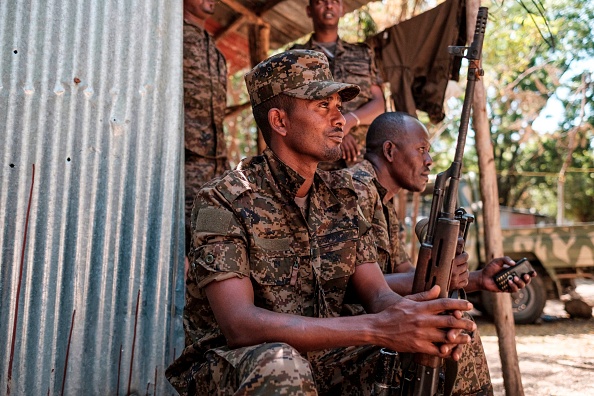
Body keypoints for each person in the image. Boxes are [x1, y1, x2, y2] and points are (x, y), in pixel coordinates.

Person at [165, 50, 478, 395]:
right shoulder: (224, 198)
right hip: (239, 365)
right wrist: (377, 328)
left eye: (338, 107)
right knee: (281, 365)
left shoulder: (341, 197)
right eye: (322, 107)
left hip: (329, 357)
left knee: (454, 338)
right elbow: (241, 325)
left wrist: (419, 318)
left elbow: (378, 295)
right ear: (280, 121)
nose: (340, 119)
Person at [345, 111, 537, 395]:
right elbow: (356, 284)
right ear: (389, 150)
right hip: (353, 327)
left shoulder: (384, 202)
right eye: (421, 149)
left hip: (378, 320)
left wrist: (477, 278)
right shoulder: (356, 188)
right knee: (454, 330)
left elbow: (407, 274)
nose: (429, 161)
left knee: (457, 327)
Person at [290, 0, 385, 170]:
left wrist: (348, 122)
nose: (328, 6)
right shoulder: (295, 57)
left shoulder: (362, 54)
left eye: (334, 1)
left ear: (342, 9)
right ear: (309, 11)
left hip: (363, 162)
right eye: (321, 2)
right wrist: (335, 130)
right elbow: (293, 109)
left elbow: (380, 104)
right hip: (315, 164)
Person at [183, 0, 230, 255]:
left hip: (215, 162)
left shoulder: (212, 47)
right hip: (185, 159)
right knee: (184, 244)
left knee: (214, 243)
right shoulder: (172, 35)